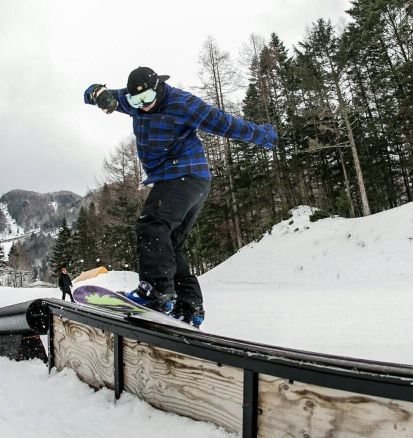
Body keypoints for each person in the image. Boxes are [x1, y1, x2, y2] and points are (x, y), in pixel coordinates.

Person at [83, 66, 277, 328]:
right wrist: (98, 93)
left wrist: (263, 135)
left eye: (147, 98)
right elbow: (95, 94)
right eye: (136, 101)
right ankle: (190, 305)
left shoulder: (182, 103)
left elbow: (224, 123)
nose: (144, 106)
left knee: (151, 225)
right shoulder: (133, 102)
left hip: (185, 175)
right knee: (171, 241)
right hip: (183, 181)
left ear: (158, 87)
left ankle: (155, 293)